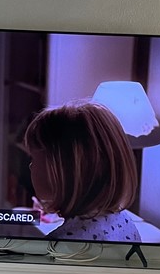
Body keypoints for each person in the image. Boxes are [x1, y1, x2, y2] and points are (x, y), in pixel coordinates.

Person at [24, 101, 141, 243]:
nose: (30, 165)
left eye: (34, 158)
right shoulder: (126, 222)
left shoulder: (57, 246)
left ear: (62, 171)